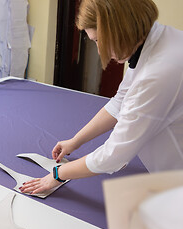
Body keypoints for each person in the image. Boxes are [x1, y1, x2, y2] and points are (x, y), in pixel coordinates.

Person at [20, 0, 183, 195]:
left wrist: (58, 174)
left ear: (119, 28)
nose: (99, 51)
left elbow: (114, 155)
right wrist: (75, 141)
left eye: (98, 40)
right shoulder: (155, 40)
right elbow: (120, 101)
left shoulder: (158, 73)